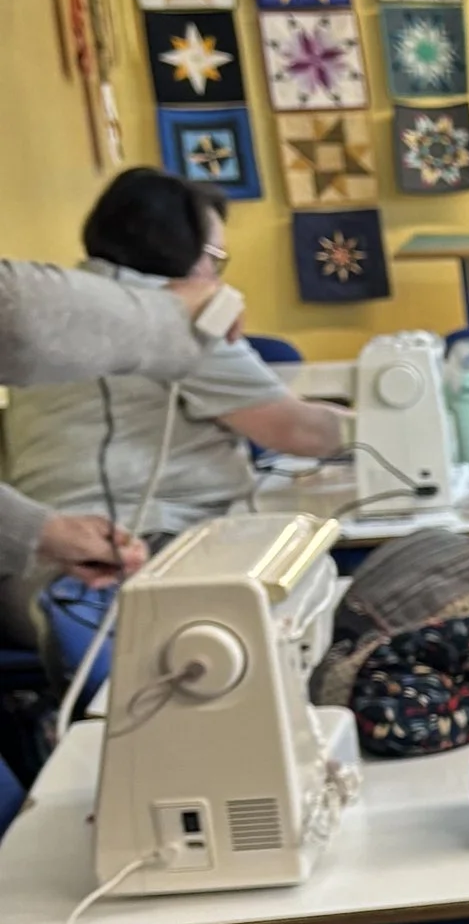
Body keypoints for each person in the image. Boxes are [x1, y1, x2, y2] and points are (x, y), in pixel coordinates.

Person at [0, 167, 345, 661]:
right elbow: (300, 432)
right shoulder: (177, 321)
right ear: (184, 255)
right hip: (136, 550)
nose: (216, 277)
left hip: (33, 561)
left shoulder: (61, 308)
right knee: (314, 589)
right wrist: (382, 422)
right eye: (215, 259)